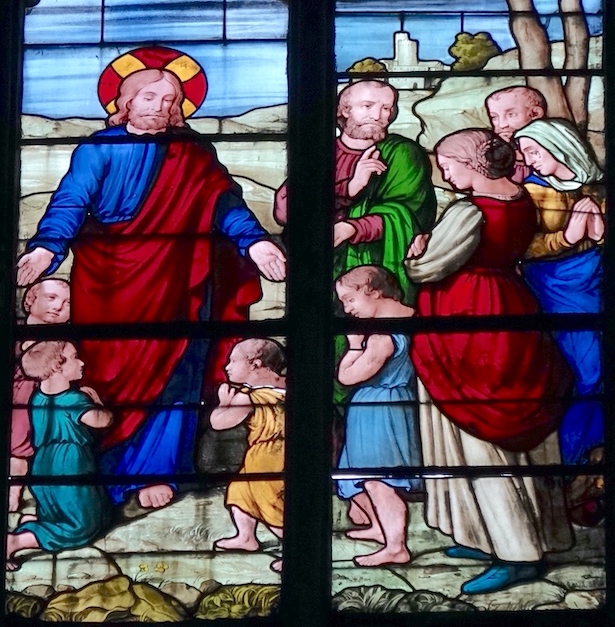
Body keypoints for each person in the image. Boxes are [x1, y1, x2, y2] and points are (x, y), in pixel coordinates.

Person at [16, 47, 286, 510]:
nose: (160, 107)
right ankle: (102, 476)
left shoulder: (193, 152)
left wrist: (254, 242)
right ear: (124, 102)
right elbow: (71, 201)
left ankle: (158, 472)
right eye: (149, 97)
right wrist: (47, 245)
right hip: (109, 284)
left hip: (179, 281)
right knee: (105, 373)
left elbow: (224, 204)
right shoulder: (99, 148)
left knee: (180, 369)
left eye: (170, 99)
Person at [406, 128, 574, 595]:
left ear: (473, 165)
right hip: (510, 307)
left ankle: (516, 551)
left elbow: (427, 268)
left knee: (480, 435)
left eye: (448, 163)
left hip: (471, 320)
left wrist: (417, 252)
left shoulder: (468, 210)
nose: (444, 172)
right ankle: (501, 533)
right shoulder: (519, 198)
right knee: (513, 434)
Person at [275, 79, 436, 305]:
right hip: (318, 269)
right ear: (344, 110)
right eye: (367, 106)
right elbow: (286, 210)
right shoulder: (320, 153)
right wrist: (350, 188)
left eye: (387, 108)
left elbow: (409, 213)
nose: (378, 115)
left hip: (378, 271)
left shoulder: (403, 153)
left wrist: (352, 228)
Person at [515, 118, 604, 519]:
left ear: (561, 147)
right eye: (526, 153)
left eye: (534, 151)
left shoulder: (596, 188)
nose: (528, 159)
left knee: (596, 374)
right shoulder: (530, 192)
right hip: (551, 288)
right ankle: (564, 463)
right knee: (578, 373)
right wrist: (565, 238)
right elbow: (521, 246)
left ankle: (587, 464)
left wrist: (598, 230)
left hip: (593, 281)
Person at [335, 265, 420, 567]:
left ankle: (396, 546)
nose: (347, 308)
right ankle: (378, 528)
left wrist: (355, 345)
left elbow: (348, 376)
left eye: (349, 300)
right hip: (389, 405)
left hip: (380, 410)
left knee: (378, 481)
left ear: (373, 290)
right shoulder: (413, 318)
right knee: (357, 475)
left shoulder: (382, 334)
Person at [6, 341, 112, 569]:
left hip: (42, 465)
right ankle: (15, 542)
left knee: (60, 512)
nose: (82, 362)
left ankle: (36, 525)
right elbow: (101, 420)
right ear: (57, 366)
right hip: (69, 468)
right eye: (74, 357)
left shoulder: (38, 399)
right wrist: (97, 402)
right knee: (83, 527)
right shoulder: (74, 400)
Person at [210, 339, 286, 573]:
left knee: (269, 500)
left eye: (233, 361)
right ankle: (246, 537)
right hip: (285, 450)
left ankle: (294, 548)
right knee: (240, 491)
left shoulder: (249, 397)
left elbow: (219, 423)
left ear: (255, 364)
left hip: (265, 455)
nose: (227, 367)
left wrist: (224, 404)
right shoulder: (287, 388)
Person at [11, 278, 70, 512]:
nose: (58, 306)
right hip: (13, 400)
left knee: (20, 449)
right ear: (29, 300)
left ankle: (14, 494)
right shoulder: (12, 329)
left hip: (36, 406)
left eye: (67, 303)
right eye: (51, 298)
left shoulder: (63, 343)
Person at [485, 85, 547, 182]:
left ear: (535, 114)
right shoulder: (492, 150)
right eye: (494, 117)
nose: (502, 124)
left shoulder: (549, 145)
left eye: (511, 114)